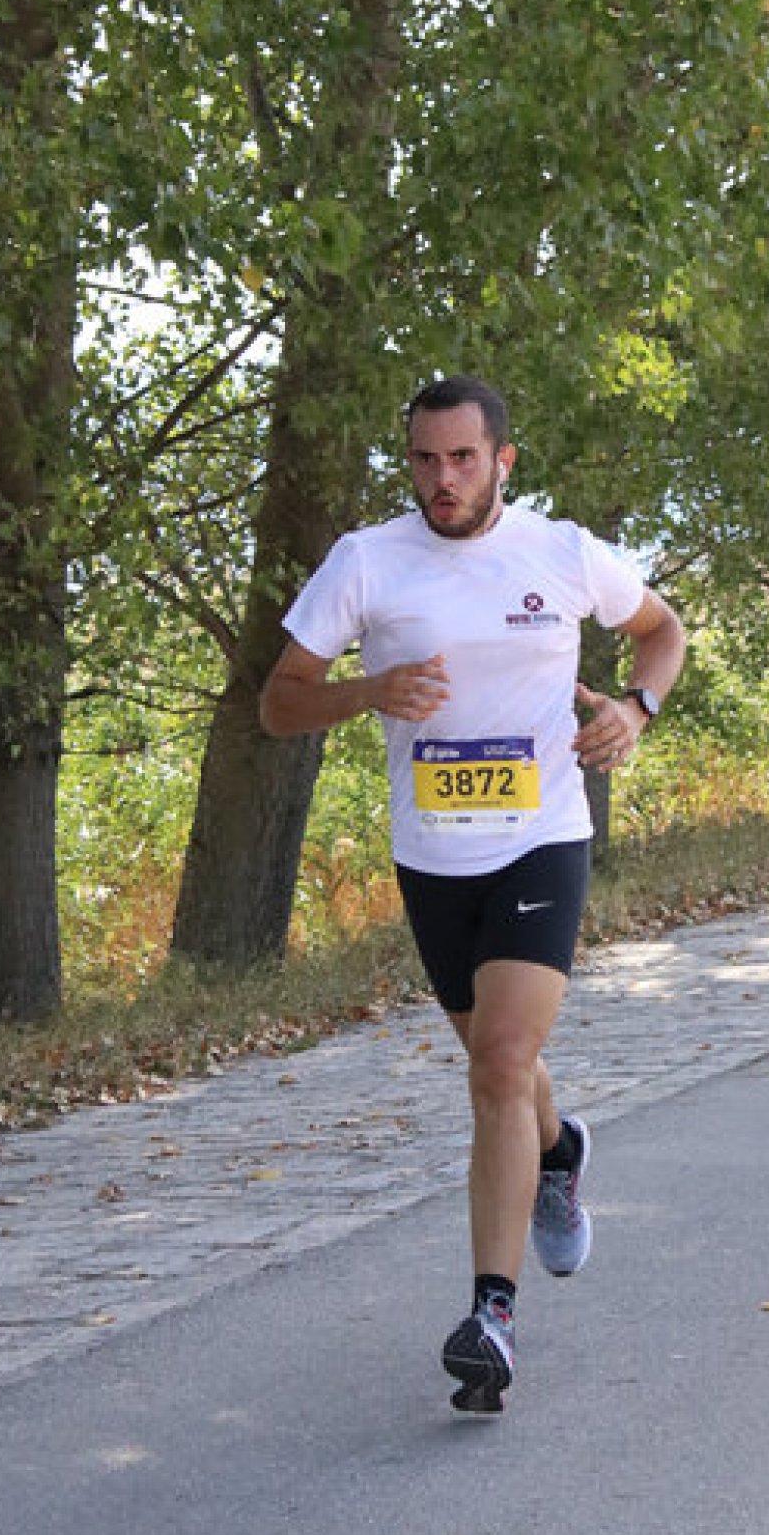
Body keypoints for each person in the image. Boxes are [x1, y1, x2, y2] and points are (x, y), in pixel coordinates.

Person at [259, 375, 685, 1413]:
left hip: (541, 838)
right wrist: (368, 690)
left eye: (461, 458)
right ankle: (558, 1152)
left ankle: (491, 1316)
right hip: (433, 855)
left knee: (498, 1063)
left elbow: (662, 631)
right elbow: (278, 704)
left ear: (502, 461)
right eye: (423, 460)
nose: (441, 479)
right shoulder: (367, 562)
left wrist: (634, 710)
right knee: (504, 1067)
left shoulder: (561, 552)